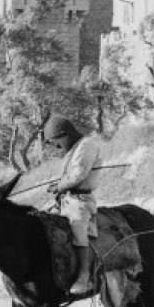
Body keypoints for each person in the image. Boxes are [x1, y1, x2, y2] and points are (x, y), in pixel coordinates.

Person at [43, 114, 101, 295]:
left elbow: (79, 174)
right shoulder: (73, 150)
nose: (57, 147)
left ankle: (84, 276)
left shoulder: (87, 145)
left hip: (81, 201)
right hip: (66, 199)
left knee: (77, 225)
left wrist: (60, 186)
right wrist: (57, 185)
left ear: (65, 134)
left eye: (57, 142)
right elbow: (68, 176)